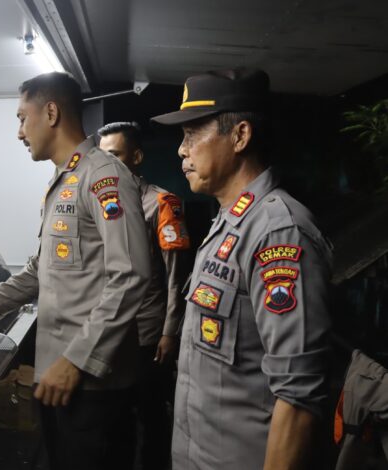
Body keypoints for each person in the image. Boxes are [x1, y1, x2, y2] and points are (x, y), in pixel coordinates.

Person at [0, 72, 151, 470]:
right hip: (60, 376)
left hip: (89, 382)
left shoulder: (104, 176)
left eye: (21, 118)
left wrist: (76, 360)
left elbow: (131, 275)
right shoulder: (65, 179)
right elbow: (39, 270)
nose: (19, 132)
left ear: (51, 113)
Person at [151, 67, 332, 469]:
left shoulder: (279, 233)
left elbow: (298, 396)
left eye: (192, 134)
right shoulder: (230, 222)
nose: (181, 150)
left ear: (240, 136)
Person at [98, 121, 189, 470]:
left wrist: (170, 331)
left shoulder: (161, 203)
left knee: (151, 415)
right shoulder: (103, 203)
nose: (107, 166)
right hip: (110, 330)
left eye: (115, 156)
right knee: (115, 418)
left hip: (148, 333)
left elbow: (176, 276)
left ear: (136, 157)